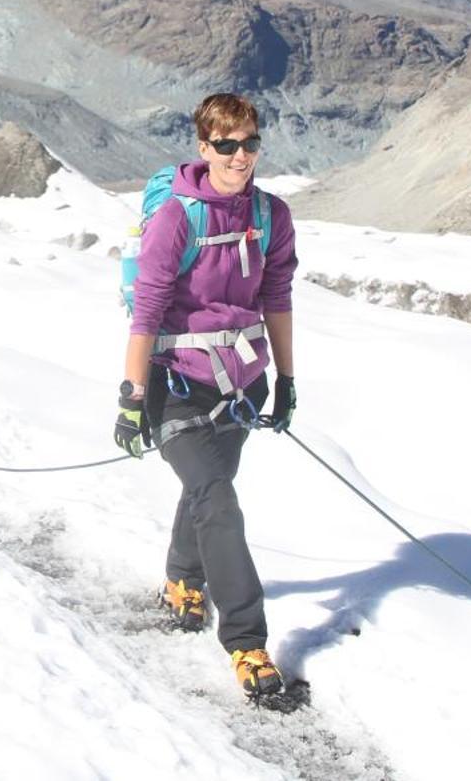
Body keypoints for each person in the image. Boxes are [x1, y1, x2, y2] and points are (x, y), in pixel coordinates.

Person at [115, 91, 298, 702]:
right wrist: (132, 397)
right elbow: (146, 312)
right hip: (177, 386)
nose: (239, 155)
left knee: (206, 489)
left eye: (249, 143)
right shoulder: (177, 218)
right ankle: (246, 640)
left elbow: (277, 299)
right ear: (204, 147)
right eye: (226, 144)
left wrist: (288, 379)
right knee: (218, 498)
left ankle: (182, 579)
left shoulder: (271, 216)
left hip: (243, 383)